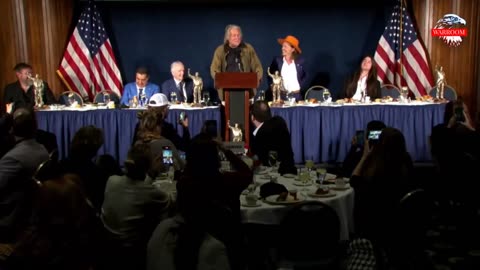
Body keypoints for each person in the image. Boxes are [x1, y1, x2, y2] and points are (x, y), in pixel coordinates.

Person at [210, 24, 263, 100]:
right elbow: (214, 69)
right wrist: (219, 78)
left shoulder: (248, 49)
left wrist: (257, 77)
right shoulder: (220, 51)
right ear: (228, 37)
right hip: (226, 92)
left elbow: (257, 66)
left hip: (247, 91)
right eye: (234, 35)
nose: (237, 38)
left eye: (238, 35)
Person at [249, 100, 297, 175]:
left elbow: (259, 160)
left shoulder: (260, 134)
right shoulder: (280, 121)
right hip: (290, 171)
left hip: (271, 177)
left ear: (252, 117)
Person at [267, 35, 307, 102]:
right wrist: (272, 85)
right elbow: (269, 74)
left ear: (293, 49)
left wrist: (300, 87)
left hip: (296, 97)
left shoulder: (301, 62)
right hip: (281, 97)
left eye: (285, 46)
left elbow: (307, 76)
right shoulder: (277, 61)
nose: (282, 48)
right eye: (282, 46)